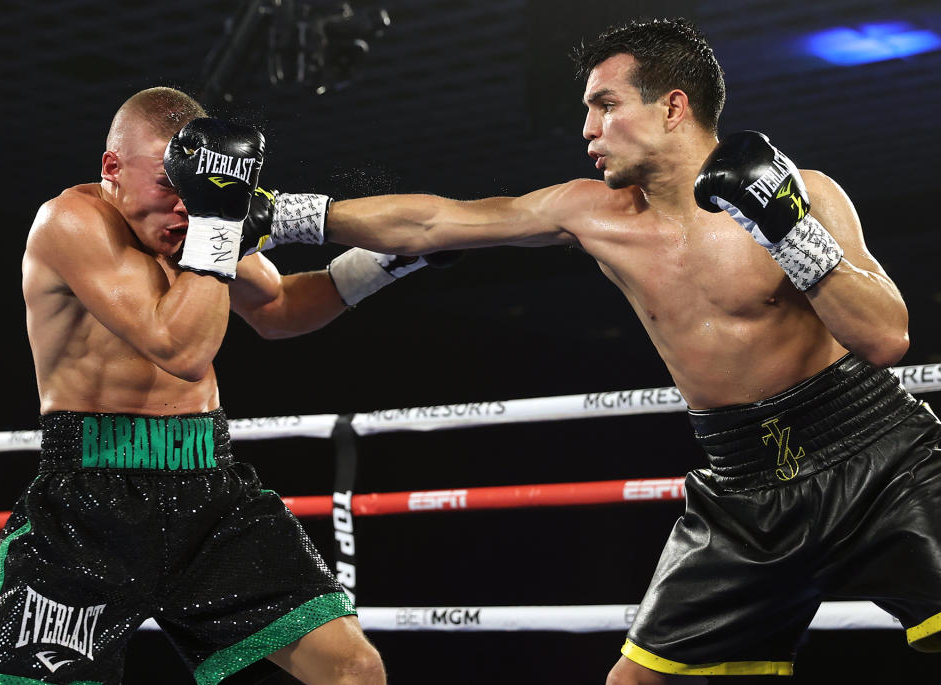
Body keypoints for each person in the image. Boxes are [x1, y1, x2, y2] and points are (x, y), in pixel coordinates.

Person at [244, 17, 941, 683]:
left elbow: (885, 335)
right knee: (638, 679)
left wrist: (788, 228)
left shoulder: (804, 192)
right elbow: (435, 221)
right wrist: (284, 212)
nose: (587, 130)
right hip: (744, 488)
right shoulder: (591, 214)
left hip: (879, 459)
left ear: (673, 107)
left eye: (606, 105)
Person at [0, 86, 441, 683]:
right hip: (92, 497)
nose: (184, 207)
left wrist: (389, 263)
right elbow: (180, 349)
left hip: (210, 489)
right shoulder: (73, 221)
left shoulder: (197, 227)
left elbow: (277, 307)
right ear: (112, 168)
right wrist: (219, 221)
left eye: (195, 189)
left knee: (353, 669)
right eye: (168, 186)